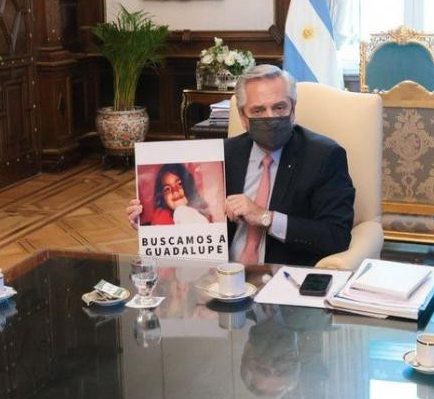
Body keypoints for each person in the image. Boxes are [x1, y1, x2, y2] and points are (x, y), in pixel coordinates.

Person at [129, 65, 355, 266]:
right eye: (258, 111)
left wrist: (266, 217)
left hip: (280, 279)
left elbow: (336, 236)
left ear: (293, 109)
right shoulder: (223, 154)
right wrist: (150, 228)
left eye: (279, 107)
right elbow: (201, 225)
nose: (270, 117)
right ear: (243, 117)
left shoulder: (324, 157)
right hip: (220, 276)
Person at [145, 163, 212, 225]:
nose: (175, 191)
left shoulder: (204, 210)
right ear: (162, 197)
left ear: (188, 185)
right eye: (167, 189)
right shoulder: (161, 218)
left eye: (179, 184)